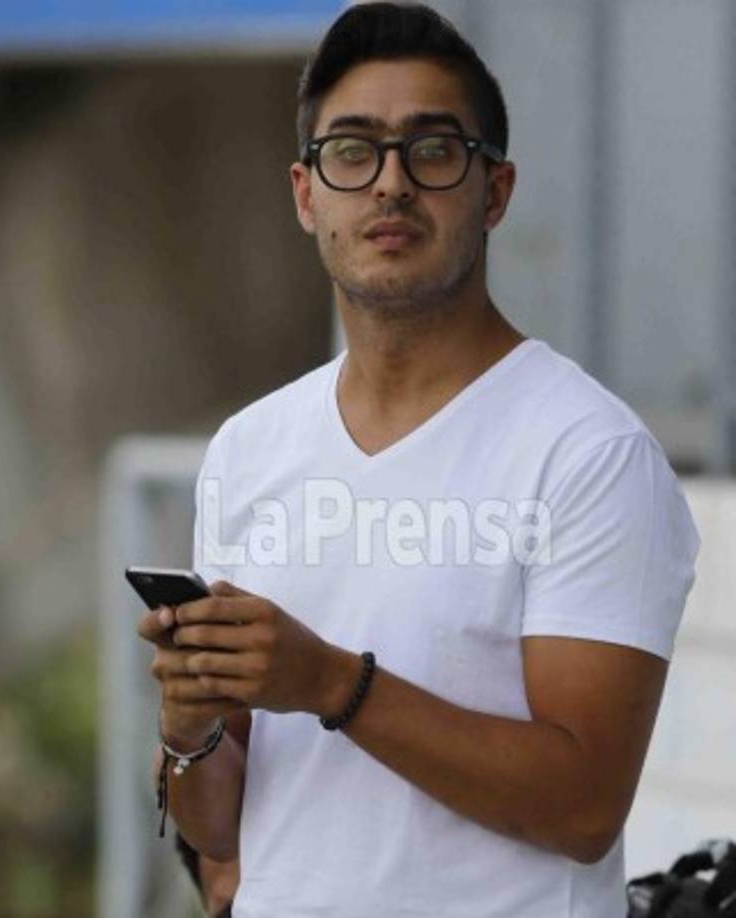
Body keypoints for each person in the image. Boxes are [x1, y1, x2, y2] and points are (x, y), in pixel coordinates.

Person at [138, 4, 701, 916]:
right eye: (352, 151)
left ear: (496, 191)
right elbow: (224, 830)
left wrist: (330, 682)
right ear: (305, 194)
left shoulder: (588, 454)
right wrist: (187, 727)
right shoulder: (249, 449)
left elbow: (583, 807)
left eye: (433, 151)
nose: (391, 184)